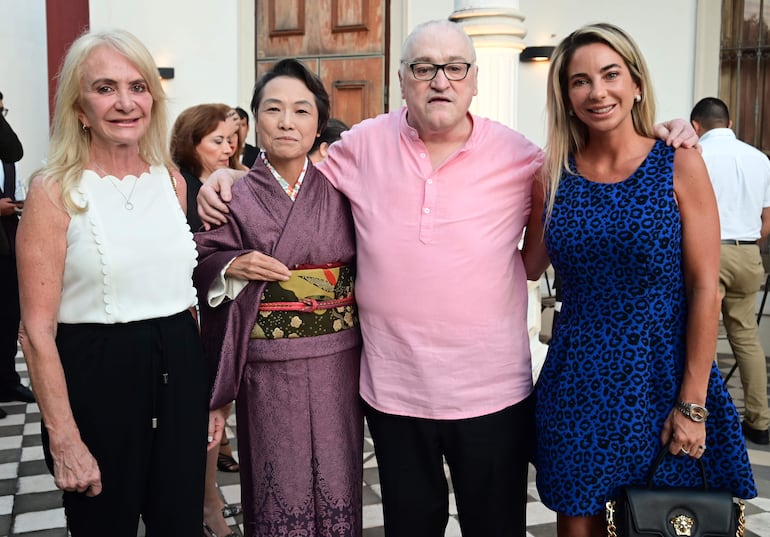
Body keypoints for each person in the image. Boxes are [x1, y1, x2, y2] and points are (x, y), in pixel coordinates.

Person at [196, 21, 701, 537]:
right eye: (424, 68)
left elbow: (540, 251)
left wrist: (667, 130)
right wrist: (231, 175)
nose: (440, 80)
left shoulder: (523, 158)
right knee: (412, 525)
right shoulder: (363, 145)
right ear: (402, 79)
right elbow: (294, 173)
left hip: (492, 391)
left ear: (475, 81)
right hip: (394, 391)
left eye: (455, 68)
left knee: (495, 525)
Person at [521, 23, 756, 537]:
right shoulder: (552, 173)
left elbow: (704, 289)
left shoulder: (677, 162)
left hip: (662, 376)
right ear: (565, 94)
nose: (597, 91)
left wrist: (692, 404)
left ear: (636, 84)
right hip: (577, 380)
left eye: (610, 75)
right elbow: (525, 266)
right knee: (578, 524)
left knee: (660, 520)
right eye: (579, 81)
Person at [15, 29, 222, 536]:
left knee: (179, 524)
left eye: (137, 86)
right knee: (103, 525)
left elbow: (186, 295)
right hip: (95, 381)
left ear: (153, 96)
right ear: (79, 108)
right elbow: (36, 332)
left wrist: (207, 397)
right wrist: (63, 438)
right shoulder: (53, 190)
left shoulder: (171, 181)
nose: (125, 102)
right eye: (105, 88)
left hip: (179, 372)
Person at [193, 58, 362, 537]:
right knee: (276, 483)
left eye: (302, 111)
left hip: (337, 359)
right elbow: (201, 259)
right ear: (254, 119)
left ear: (319, 123)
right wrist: (231, 264)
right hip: (266, 362)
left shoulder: (346, 187)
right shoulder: (230, 195)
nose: (287, 122)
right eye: (274, 109)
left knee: (338, 476)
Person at [170, 102, 243, 537]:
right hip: (190, 317)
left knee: (217, 414)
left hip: (223, 315)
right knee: (202, 418)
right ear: (191, 143)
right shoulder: (180, 188)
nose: (228, 147)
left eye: (231, 138)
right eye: (217, 139)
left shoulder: (229, 184)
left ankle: (206, 497)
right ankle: (207, 502)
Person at [690, 96, 770, 445]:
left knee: (695, 335)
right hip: (749, 253)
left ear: (696, 126)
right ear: (730, 123)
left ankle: (697, 414)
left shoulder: (696, 155)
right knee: (746, 338)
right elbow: (767, 220)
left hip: (707, 253)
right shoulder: (759, 159)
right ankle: (759, 421)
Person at [0, 91, 35, 415]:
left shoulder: (3, 144)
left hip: (6, 241)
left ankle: (7, 380)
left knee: (9, 315)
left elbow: (15, 150)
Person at [171, 104, 240, 232]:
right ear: (191, 144)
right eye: (218, 141)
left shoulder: (235, 179)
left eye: (228, 140)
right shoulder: (177, 186)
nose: (228, 150)